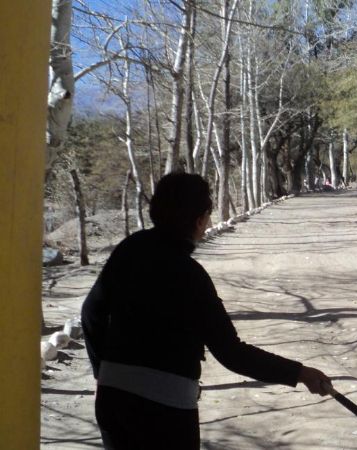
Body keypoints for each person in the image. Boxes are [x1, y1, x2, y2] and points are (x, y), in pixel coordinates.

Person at [81, 172, 331, 449]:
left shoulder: (129, 249)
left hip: (113, 400)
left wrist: (102, 373)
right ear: (199, 220)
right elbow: (231, 353)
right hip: (166, 411)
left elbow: (91, 312)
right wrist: (300, 373)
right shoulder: (190, 275)